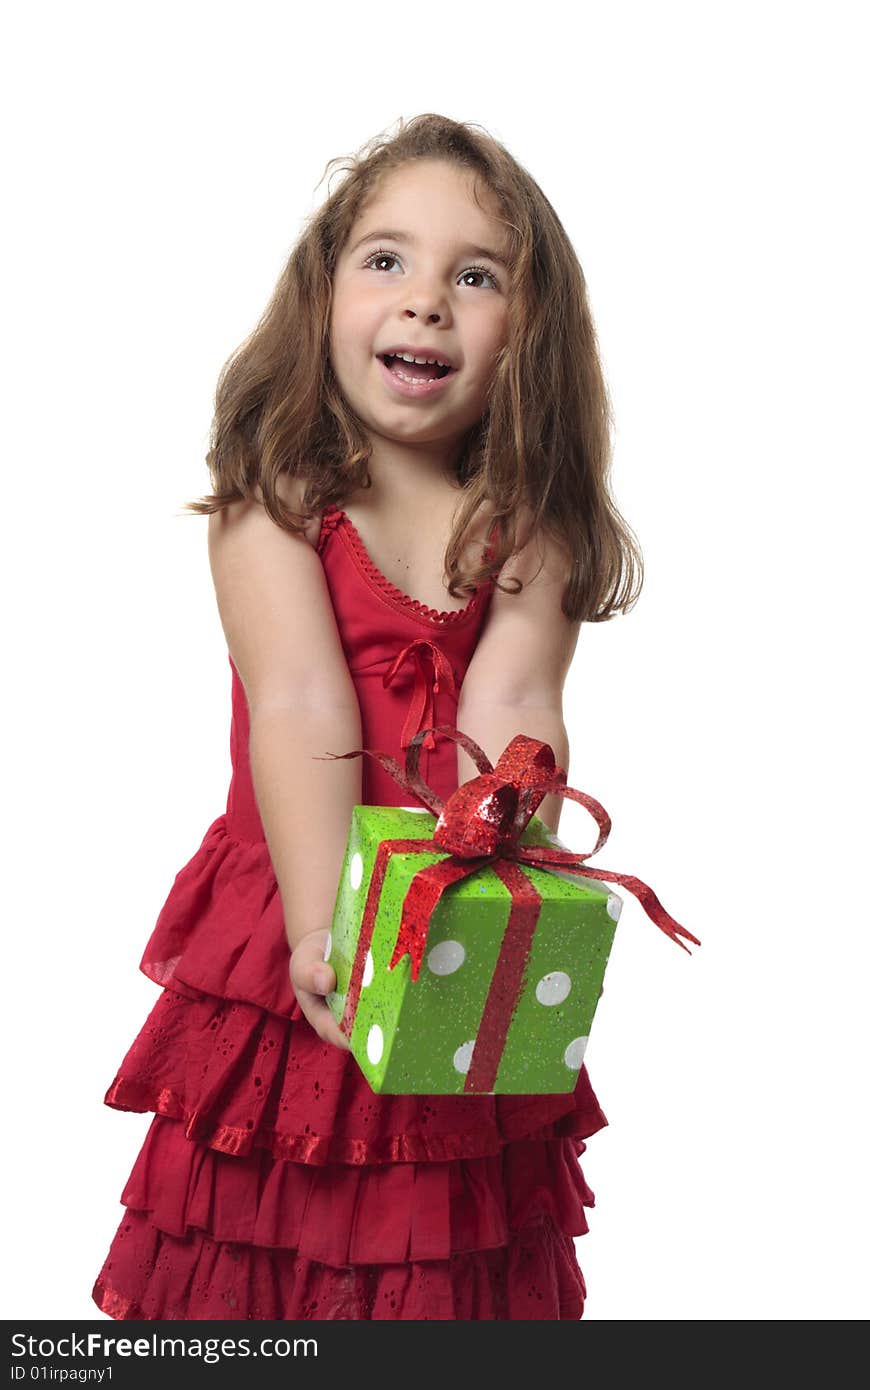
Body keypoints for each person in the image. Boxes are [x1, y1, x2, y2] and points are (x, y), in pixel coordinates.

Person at [91, 112, 644, 1321]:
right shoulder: (277, 503)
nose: (425, 301)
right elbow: (295, 706)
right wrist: (318, 922)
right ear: (324, 291)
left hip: (448, 919)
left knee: (443, 1253)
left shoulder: (524, 525)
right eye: (385, 260)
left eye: (476, 275)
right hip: (298, 917)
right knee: (269, 1242)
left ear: (529, 333)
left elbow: (517, 700)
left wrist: (500, 855)